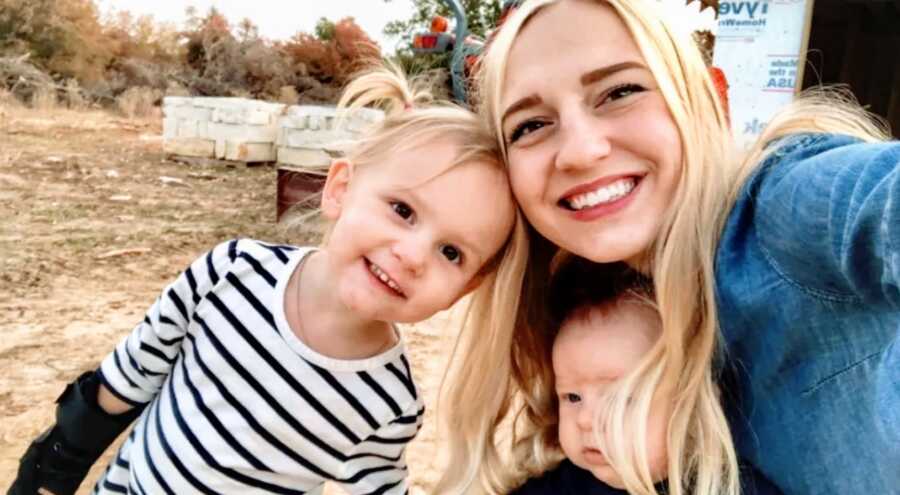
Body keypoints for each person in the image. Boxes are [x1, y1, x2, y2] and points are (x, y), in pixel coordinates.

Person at [436, 0, 900, 494]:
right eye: (529, 125)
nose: (579, 150)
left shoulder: (786, 208)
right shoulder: (597, 301)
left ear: (706, 100)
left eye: (619, 92)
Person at [8, 63, 527, 495]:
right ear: (340, 189)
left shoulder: (387, 403)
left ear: (466, 289)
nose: (413, 254)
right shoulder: (230, 272)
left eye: (452, 252)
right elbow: (134, 371)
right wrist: (60, 457)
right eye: (402, 210)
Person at [510, 260, 780, 495]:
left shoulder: (736, 487)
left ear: (690, 402)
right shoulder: (565, 486)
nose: (584, 420)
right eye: (572, 397)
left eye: (618, 398)